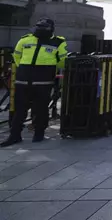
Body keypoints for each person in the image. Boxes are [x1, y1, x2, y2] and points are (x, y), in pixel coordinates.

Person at [1, 18, 67, 147]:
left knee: (29, 109)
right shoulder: (30, 40)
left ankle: (22, 135)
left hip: (29, 79)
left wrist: (25, 69)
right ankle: (32, 134)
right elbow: (62, 62)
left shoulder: (57, 42)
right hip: (38, 79)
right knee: (32, 109)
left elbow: (17, 57)